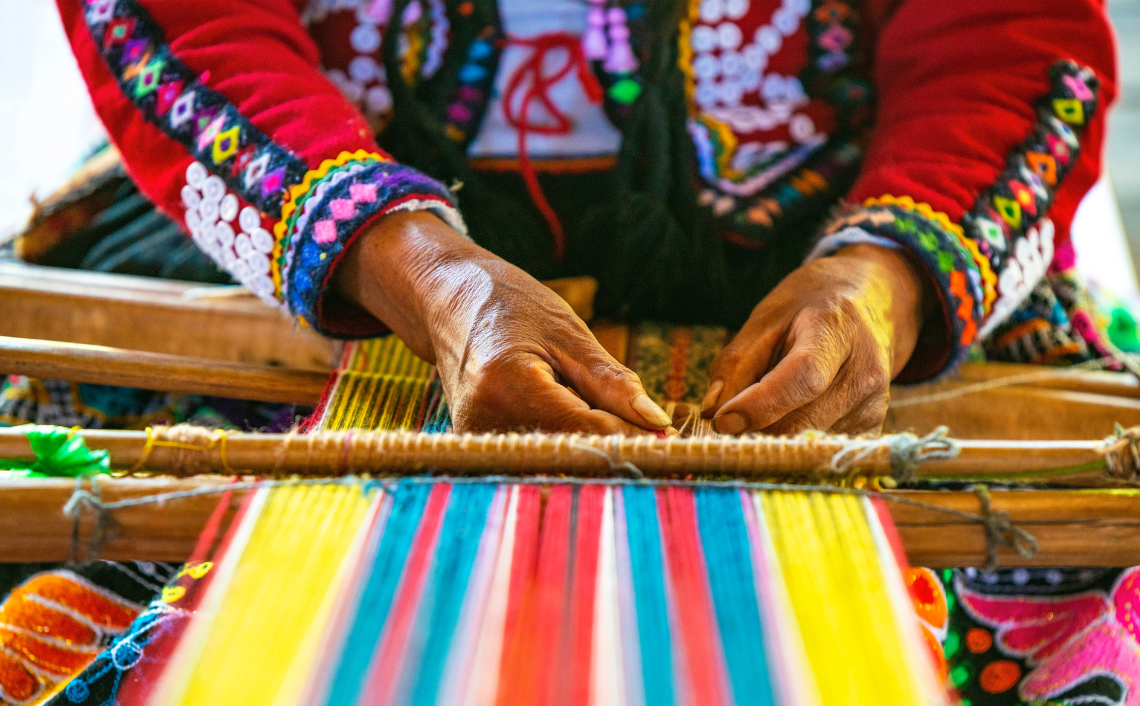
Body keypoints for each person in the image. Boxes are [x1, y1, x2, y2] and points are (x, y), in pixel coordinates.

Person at [53, 0, 1116, 439]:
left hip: (852, 239)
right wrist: (422, 272)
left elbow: (1011, 35)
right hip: (314, 240)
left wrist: (885, 279)